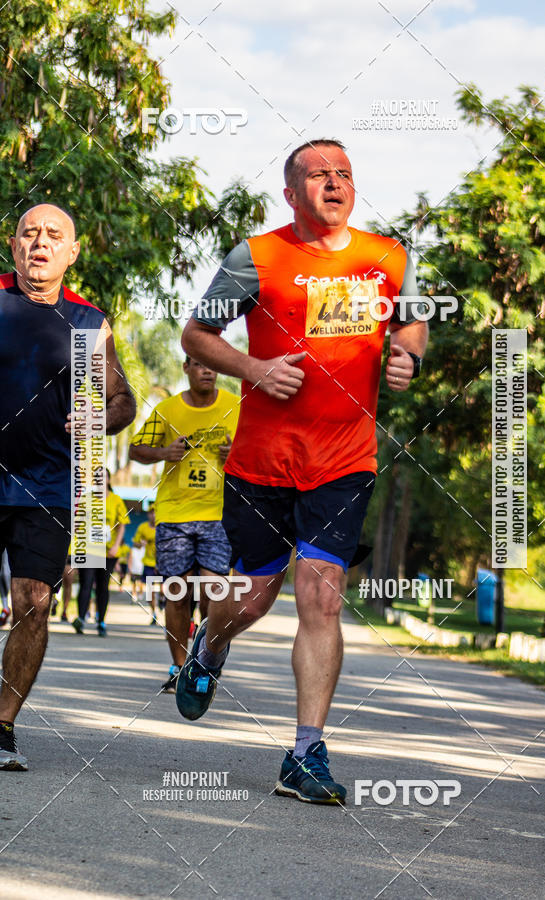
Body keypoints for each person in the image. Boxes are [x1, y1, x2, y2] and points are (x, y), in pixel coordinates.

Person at [179, 139, 428, 804]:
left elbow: (411, 325)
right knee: (255, 597)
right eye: (317, 175)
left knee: (321, 595)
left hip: (345, 459)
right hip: (262, 462)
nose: (334, 182)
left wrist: (406, 358)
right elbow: (196, 336)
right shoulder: (255, 258)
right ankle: (210, 643)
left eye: (343, 173)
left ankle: (304, 752)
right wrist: (255, 369)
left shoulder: (389, 257)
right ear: (291, 193)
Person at [0, 204, 136, 770]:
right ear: (13, 246)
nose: (41, 243)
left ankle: (1, 726)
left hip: (49, 485)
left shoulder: (85, 323)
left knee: (34, 602)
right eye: (30, 233)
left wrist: (97, 418)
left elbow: (122, 400)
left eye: (54, 236)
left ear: (72, 253)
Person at [129, 357, 238, 691]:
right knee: (176, 592)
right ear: (186, 368)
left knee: (213, 594)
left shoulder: (237, 407)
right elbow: (135, 449)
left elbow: (264, 447)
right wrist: (164, 453)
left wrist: (236, 453)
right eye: (200, 364)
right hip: (174, 513)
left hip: (219, 513)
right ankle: (180, 668)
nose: (208, 370)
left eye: (212, 365)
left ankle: (204, 661)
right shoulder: (167, 410)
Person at [72, 468, 130, 636]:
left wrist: (116, 546)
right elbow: (77, 523)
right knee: (86, 583)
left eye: (103, 476)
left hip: (108, 552)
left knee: (102, 587)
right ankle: (81, 619)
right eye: (96, 476)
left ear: (109, 480)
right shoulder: (86, 499)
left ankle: (101, 622)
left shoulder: (116, 500)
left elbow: (122, 525)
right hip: (89, 549)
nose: (99, 479)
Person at [132, 507, 157, 625]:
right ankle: (154, 613)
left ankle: (162, 603)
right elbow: (135, 543)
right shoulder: (143, 527)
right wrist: (140, 544)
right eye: (151, 513)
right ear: (148, 515)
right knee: (149, 592)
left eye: (155, 512)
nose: (153, 515)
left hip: (162, 564)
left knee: (165, 590)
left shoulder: (163, 527)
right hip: (148, 563)